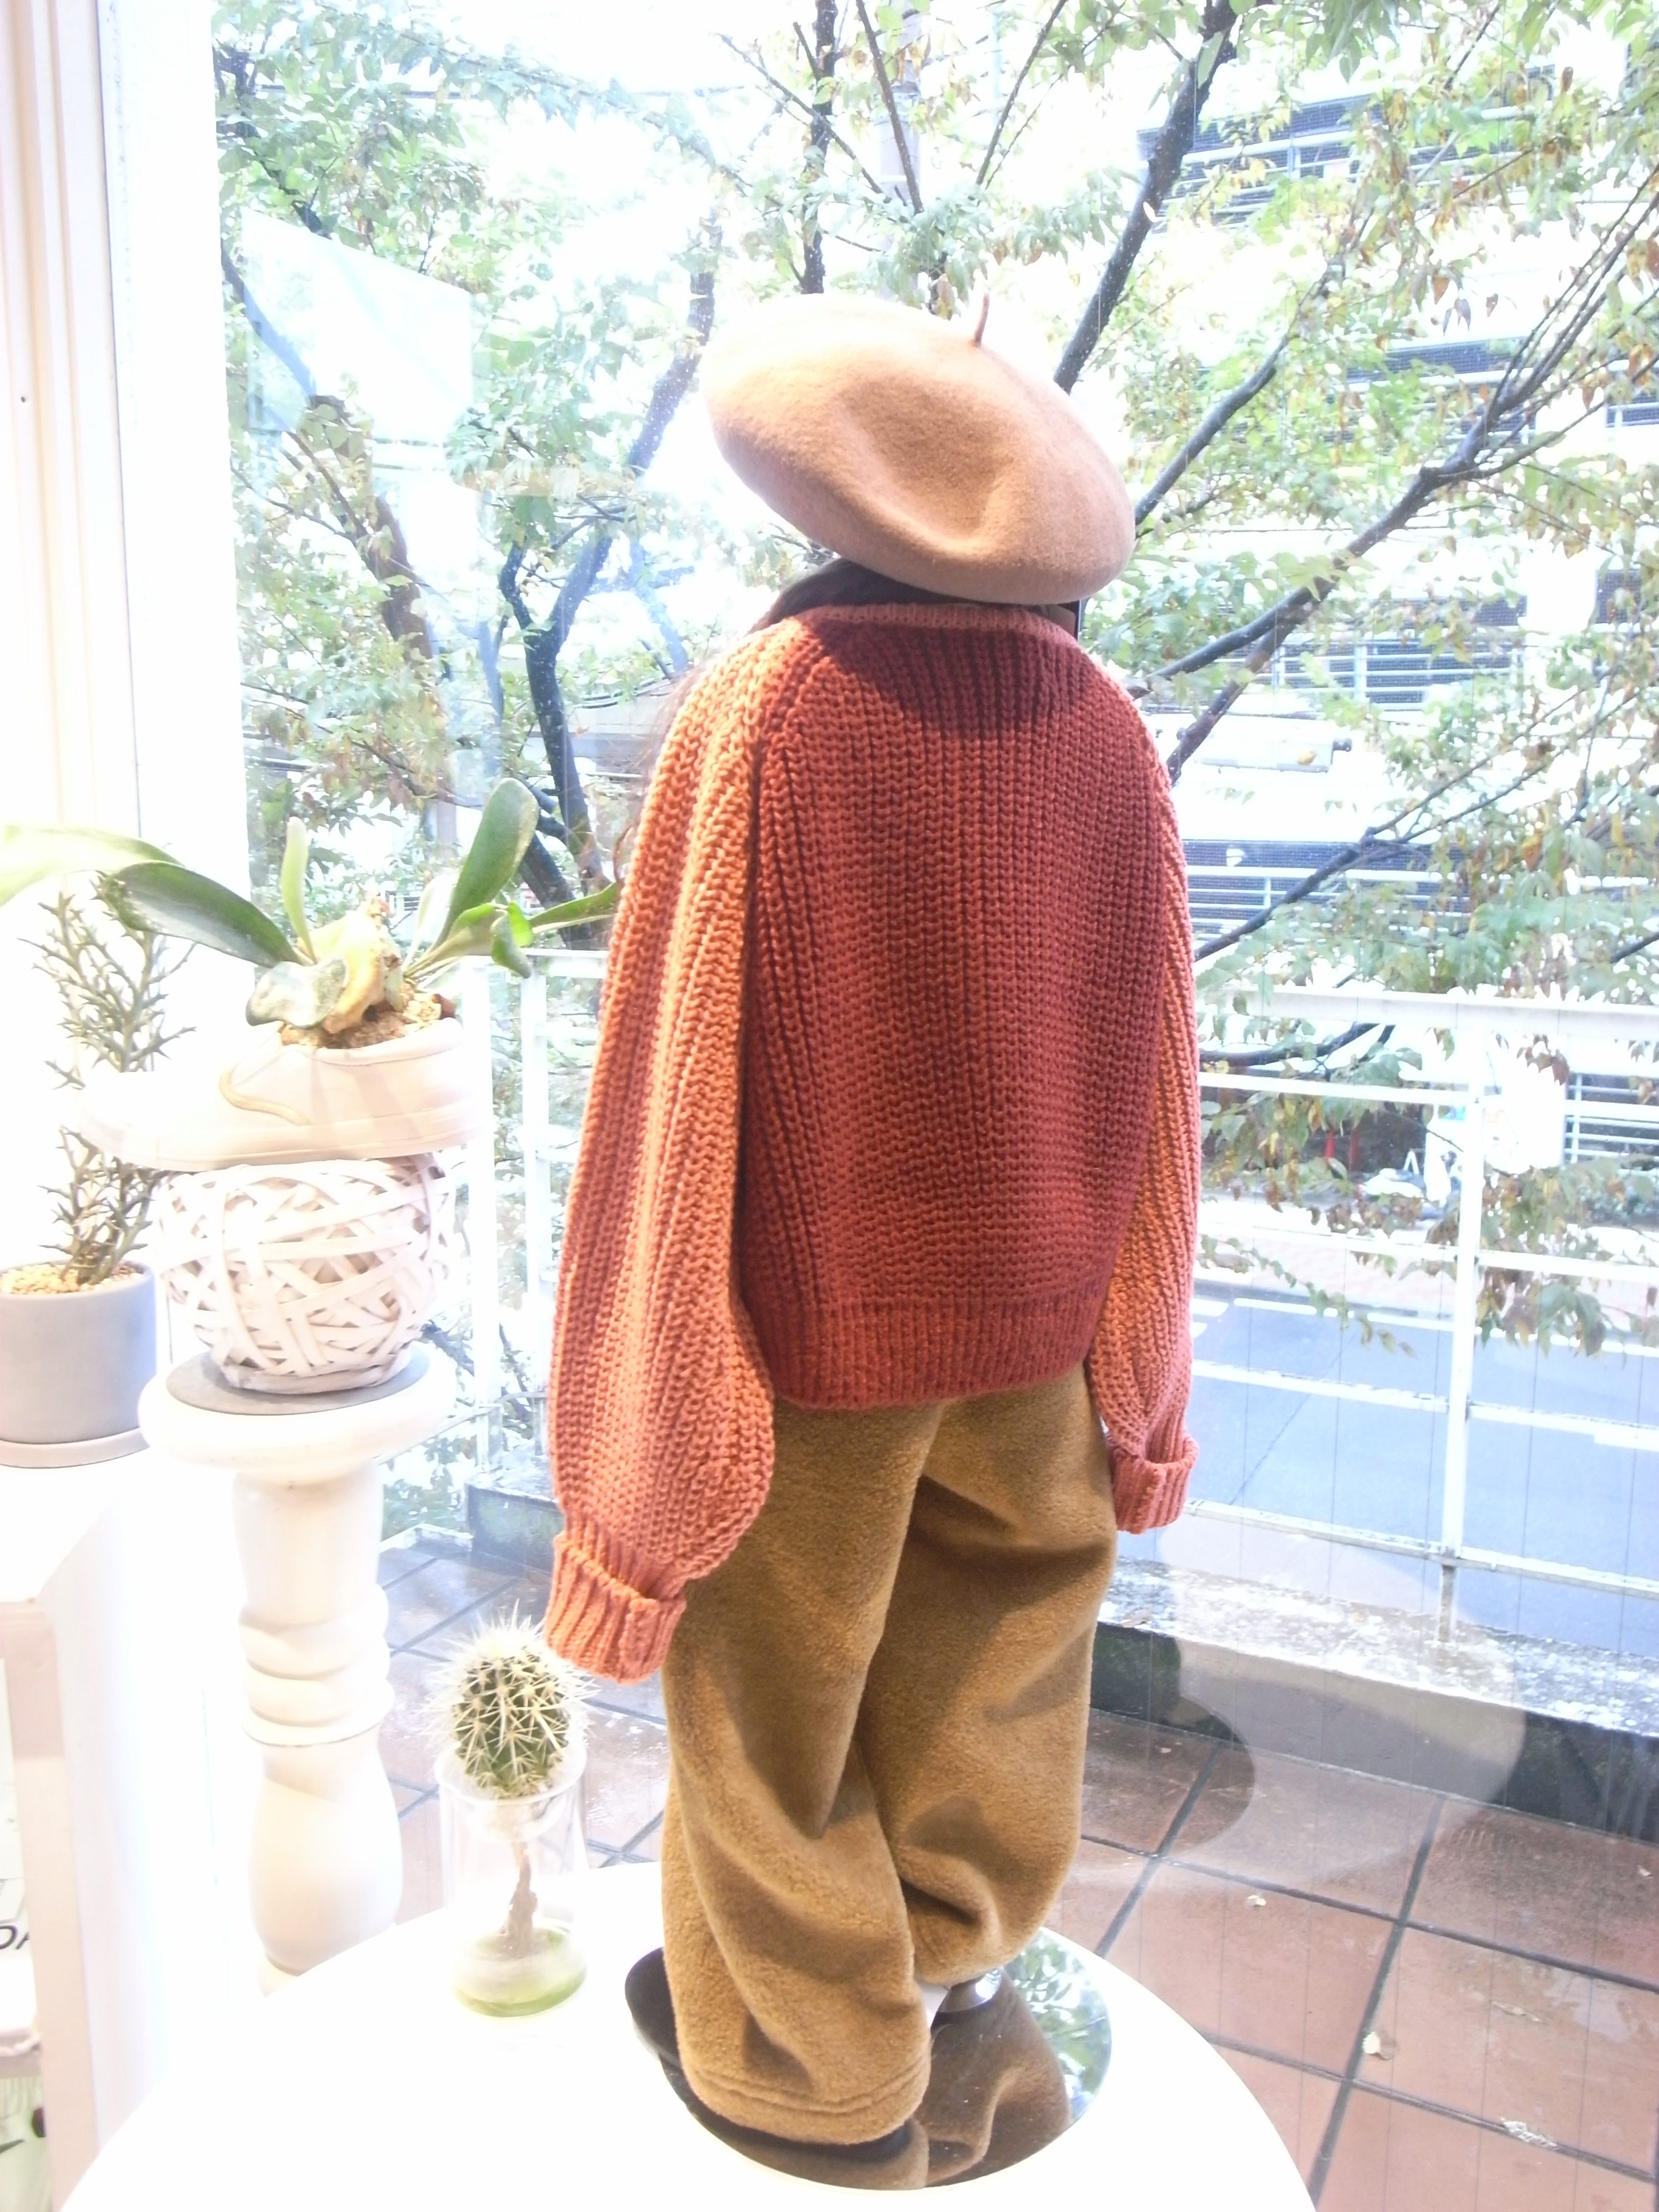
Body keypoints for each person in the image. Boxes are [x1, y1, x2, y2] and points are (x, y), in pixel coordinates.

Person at [543, 291, 1199, 2177]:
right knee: (1002, 1688)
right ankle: (956, 1980)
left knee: (769, 1723)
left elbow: (673, 1073)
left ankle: (812, 2080)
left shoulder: (768, 705)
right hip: (1046, 1347)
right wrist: (1145, 1381)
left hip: (805, 1345)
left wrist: (648, 1411)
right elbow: (1163, 1075)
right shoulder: (1107, 730)